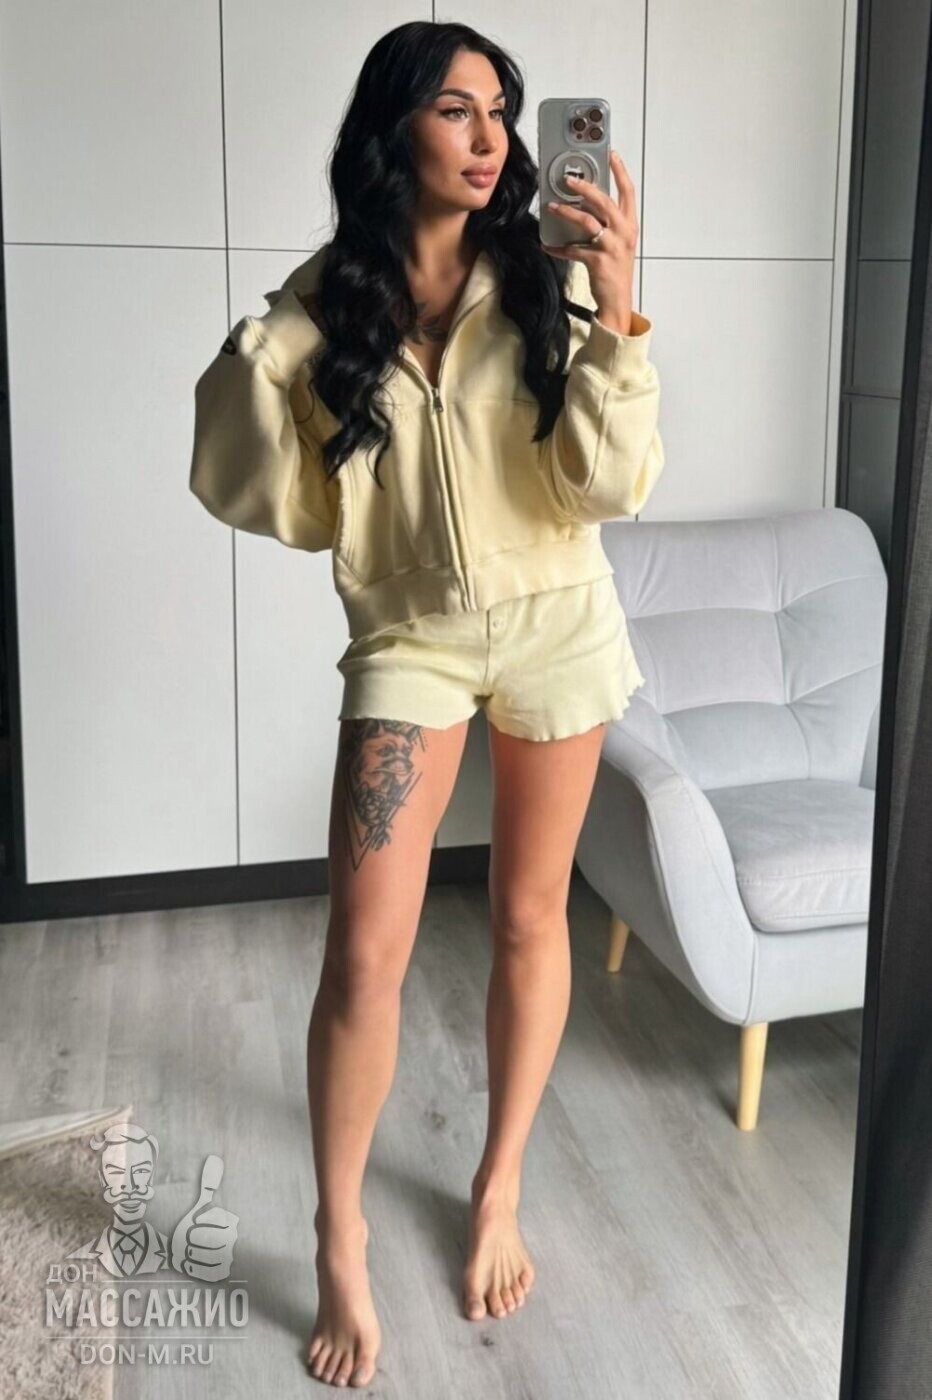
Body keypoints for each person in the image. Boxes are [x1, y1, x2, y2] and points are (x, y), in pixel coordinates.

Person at [189, 20, 663, 1389]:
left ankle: (498, 1181)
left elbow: (608, 487)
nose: (492, 136)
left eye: (502, 110)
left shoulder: (549, 281)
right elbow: (259, 494)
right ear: (394, 127)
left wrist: (618, 305)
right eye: (457, 109)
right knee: (364, 955)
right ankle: (338, 1232)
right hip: (411, 638)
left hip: (560, 625)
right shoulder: (325, 307)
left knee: (527, 917)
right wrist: (274, 337)